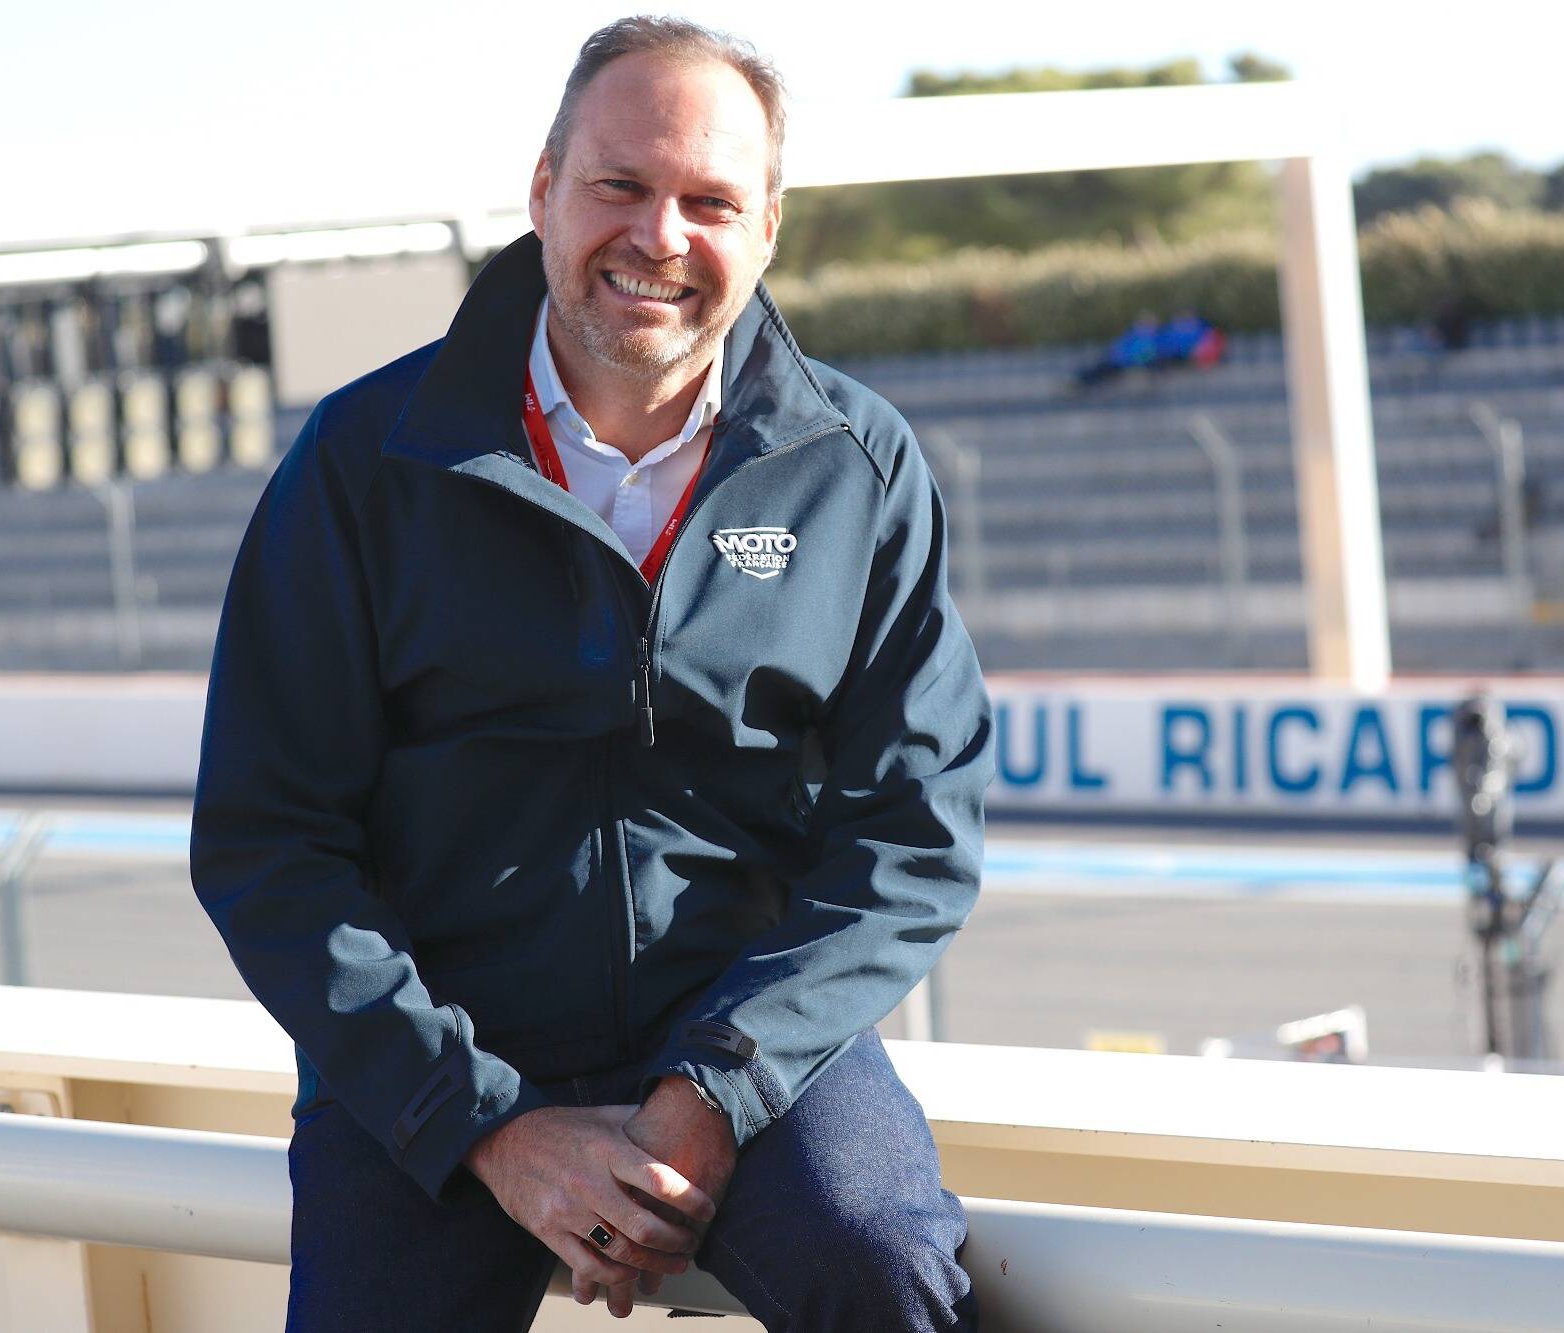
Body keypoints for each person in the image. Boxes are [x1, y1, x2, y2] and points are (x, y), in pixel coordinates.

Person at [189, 16, 993, 1333]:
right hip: (434, 1055)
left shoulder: (858, 464)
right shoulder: (363, 460)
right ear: (545, 191)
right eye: (621, 185)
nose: (661, 237)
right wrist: (489, 1126)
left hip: (749, 1032)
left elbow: (916, 829)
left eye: (711, 201)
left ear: (769, 226)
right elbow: (269, 842)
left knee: (880, 1261)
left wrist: (713, 1091)